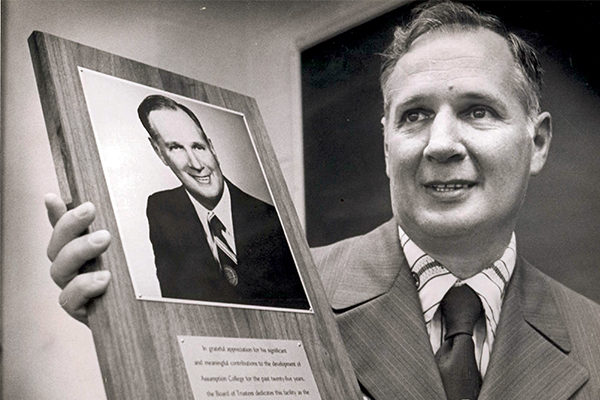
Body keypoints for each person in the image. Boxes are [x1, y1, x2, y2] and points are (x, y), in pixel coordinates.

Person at [45, 1, 599, 399]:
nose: (441, 144)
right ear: (386, 147)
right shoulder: (280, 294)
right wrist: (130, 334)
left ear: (538, 142)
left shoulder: (594, 337)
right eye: (415, 116)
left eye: (479, 110)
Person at [127, 95, 306, 308]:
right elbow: (180, 305)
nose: (196, 164)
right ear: (160, 153)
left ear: (211, 147)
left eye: (198, 146)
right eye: (176, 148)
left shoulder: (271, 219)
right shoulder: (162, 209)